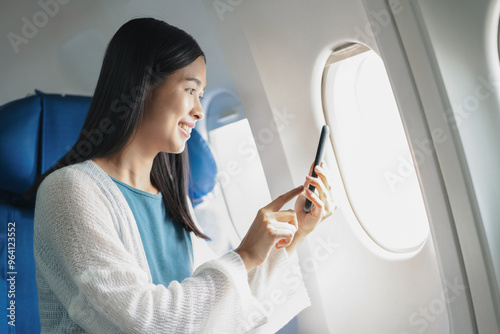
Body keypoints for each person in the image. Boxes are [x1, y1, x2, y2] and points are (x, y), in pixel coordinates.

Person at [28, 17, 337, 333]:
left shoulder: (173, 202)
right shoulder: (67, 191)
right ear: (142, 86)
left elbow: (222, 314)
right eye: (190, 89)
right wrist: (244, 254)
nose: (200, 111)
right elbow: (143, 323)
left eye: (202, 95)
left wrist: (294, 234)